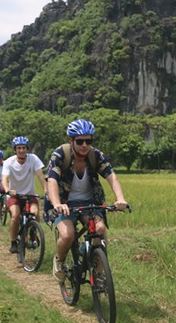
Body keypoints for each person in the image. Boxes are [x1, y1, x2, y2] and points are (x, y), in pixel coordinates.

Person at [47, 119, 128, 281]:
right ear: (71, 140)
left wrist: (120, 198)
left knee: (100, 230)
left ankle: (98, 274)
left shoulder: (95, 155)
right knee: (68, 235)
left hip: (90, 202)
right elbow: (52, 180)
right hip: (64, 203)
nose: (84, 145)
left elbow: (111, 176)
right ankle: (59, 261)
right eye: (80, 141)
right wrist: (57, 204)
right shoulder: (60, 154)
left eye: (88, 141)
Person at [1, 136, 47, 253]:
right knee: (15, 215)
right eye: (18, 148)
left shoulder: (33, 159)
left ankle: (33, 232)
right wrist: (7, 190)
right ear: (14, 150)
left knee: (35, 213)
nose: (21, 150)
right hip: (14, 196)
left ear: (27, 149)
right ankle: (13, 242)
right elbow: (4, 179)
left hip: (30, 195)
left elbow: (41, 176)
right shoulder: (8, 162)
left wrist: (46, 191)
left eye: (23, 148)